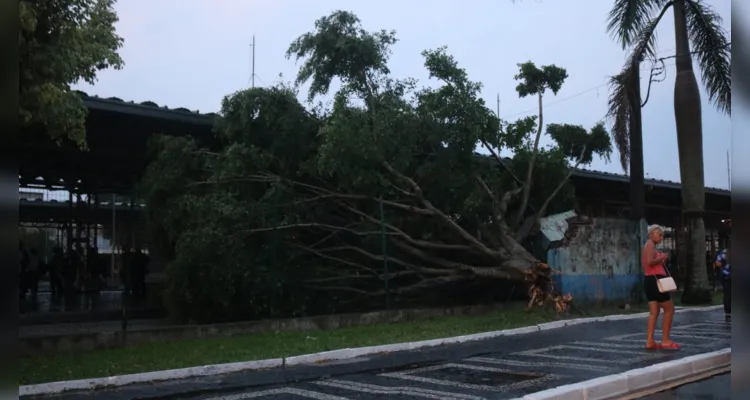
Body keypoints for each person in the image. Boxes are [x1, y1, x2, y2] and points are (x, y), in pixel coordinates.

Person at [642, 224, 679, 350]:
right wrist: (662, 257)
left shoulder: (650, 246)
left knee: (654, 312)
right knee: (670, 309)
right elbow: (649, 262)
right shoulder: (650, 245)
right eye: (659, 234)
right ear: (651, 234)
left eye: (662, 234)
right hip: (656, 280)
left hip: (650, 281)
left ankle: (650, 341)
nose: (662, 237)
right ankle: (665, 340)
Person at [718, 249, 731, 319]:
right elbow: (717, 263)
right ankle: (728, 311)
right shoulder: (723, 253)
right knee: (727, 295)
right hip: (727, 278)